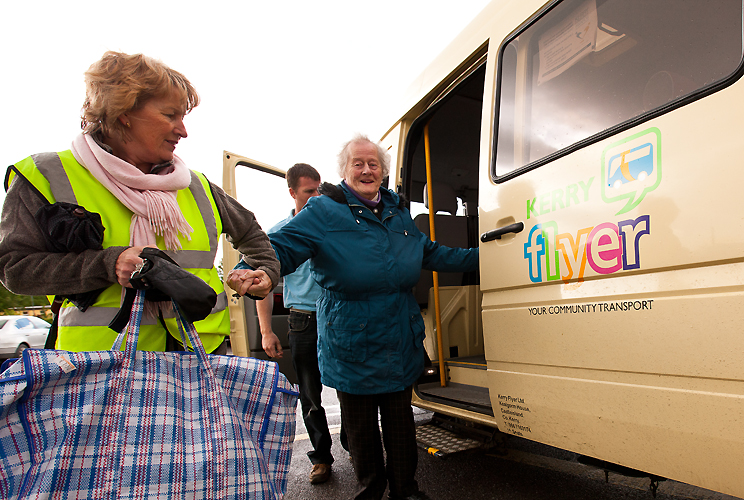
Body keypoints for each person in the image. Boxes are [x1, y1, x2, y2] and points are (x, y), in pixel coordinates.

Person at [228, 134, 479, 500]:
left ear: (383, 172)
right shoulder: (324, 211)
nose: (366, 169)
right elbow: (281, 244)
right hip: (352, 339)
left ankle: (407, 492)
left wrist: (487, 255)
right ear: (344, 171)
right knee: (361, 432)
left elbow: (435, 254)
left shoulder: (399, 214)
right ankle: (370, 493)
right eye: (357, 163)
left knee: (400, 425)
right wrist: (259, 269)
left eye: (373, 164)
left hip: (397, 337)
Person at [0, 51, 278, 353]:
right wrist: (109, 263)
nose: (183, 131)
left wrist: (262, 272)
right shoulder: (46, 175)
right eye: (170, 115)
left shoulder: (197, 185)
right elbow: (14, 269)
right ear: (124, 112)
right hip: (99, 372)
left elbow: (252, 235)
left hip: (198, 364)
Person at [254, 163, 345, 485]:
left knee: (348, 385)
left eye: (320, 190)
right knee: (310, 393)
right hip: (303, 320)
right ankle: (321, 458)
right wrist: (266, 331)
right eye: (309, 192)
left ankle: (354, 445)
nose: (316, 197)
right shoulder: (280, 234)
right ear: (292, 192)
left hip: (338, 318)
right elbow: (262, 285)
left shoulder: (334, 228)